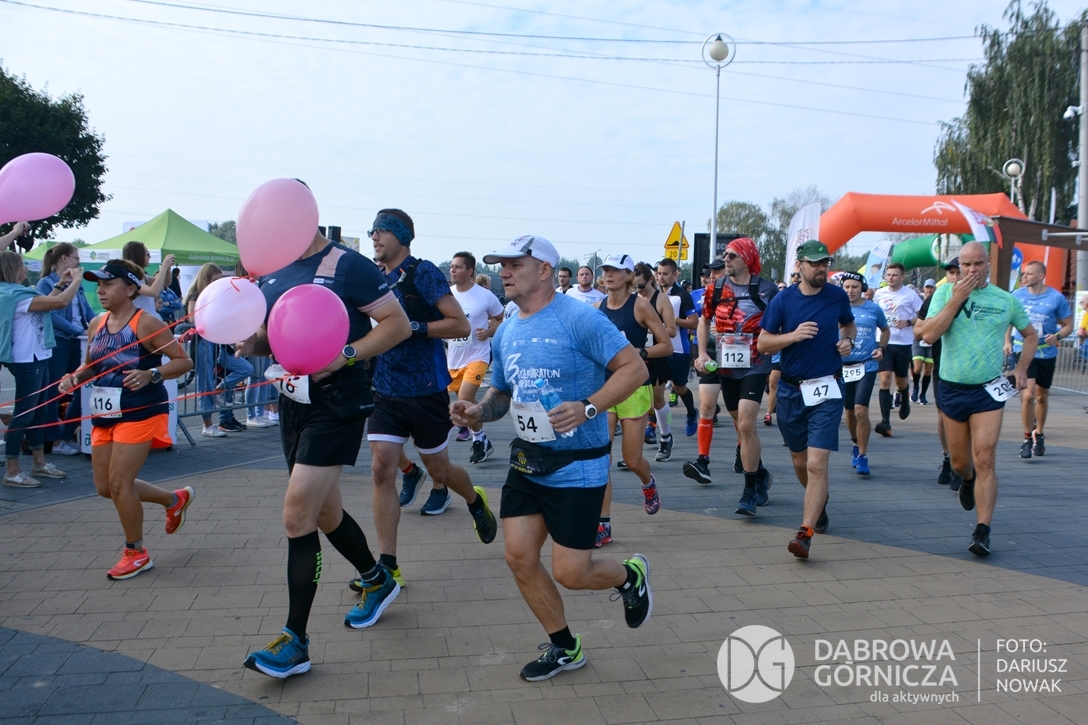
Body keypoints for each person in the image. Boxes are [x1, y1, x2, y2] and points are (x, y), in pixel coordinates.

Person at [451, 235, 652, 682]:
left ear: (544, 270)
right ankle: (565, 647)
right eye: (501, 265)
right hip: (528, 461)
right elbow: (502, 393)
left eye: (514, 265)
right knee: (519, 557)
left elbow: (635, 368)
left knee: (571, 573)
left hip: (578, 464)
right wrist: (480, 411)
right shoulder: (507, 329)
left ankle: (630, 576)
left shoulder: (579, 318)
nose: (504, 272)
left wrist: (589, 407)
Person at [238, 220, 411, 678]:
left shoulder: (347, 265)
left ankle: (295, 641)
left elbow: (397, 325)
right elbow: (273, 334)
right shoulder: (273, 271)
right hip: (293, 400)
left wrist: (346, 354)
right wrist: (251, 341)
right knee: (325, 511)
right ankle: (376, 579)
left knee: (297, 515)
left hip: (338, 400)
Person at [366, 209, 497, 585]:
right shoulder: (373, 276)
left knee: (440, 471)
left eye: (382, 230)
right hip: (385, 388)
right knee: (381, 470)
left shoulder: (422, 272)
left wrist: (413, 327)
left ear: (402, 236)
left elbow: (459, 324)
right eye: (372, 231)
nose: (375, 237)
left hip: (425, 389)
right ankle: (387, 566)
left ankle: (474, 500)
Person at [59, 260, 194, 579]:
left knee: (120, 484)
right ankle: (174, 499)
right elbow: (92, 366)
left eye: (108, 284)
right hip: (106, 412)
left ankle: (136, 553)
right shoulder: (97, 323)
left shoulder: (147, 323)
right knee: (105, 487)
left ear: (131, 289)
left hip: (140, 410)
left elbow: (183, 361)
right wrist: (73, 378)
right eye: (98, 284)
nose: (100, 290)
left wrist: (152, 373)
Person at [921, 241, 1036, 557]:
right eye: (966, 265)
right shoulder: (945, 293)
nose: (972, 270)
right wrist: (956, 300)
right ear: (959, 267)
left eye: (978, 264)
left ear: (988, 264)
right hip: (952, 387)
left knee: (985, 457)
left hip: (988, 389)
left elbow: (1030, 334)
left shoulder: (1005, 299)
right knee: (961, 464)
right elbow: (928, 335)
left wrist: (1022, 367)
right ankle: (968, 479)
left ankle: (982, 530)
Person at [757, 240, 855, 559]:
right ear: (799, 265)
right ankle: (819, 503)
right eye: (815, 263)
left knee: (816, 463)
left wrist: (848, 342)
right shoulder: (783, 300)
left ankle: (805, 533)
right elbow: (763, 344)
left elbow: (848, 325)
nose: (822, 268)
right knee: (800, 461)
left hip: (827, 387)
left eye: (825, 262)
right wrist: (793, 336)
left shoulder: (836, 296)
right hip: (790, 390)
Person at [690, 239, 777, 517]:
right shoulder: (715, 288)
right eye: (725, 255)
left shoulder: (767, 289)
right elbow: (704, 319)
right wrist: (702, 353)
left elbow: (780, 322)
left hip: (756, 364)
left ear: (747, 259)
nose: (726, 259)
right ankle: (760, 474)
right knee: (741, 426)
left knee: (748, 423)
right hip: (726, 366)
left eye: (732, 255)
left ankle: (748, 491)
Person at [593, 254, 671, 547]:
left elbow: (666, 345)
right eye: (605, 270)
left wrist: (640, 353)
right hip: (605, 388)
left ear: (628, 275)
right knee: (602, 458)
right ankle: (603, 524)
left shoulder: (640, 305)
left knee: (632, 459)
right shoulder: (596, 308)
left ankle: (648, 482)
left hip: (634, 388)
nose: (608, 275)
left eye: (615, 270)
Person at [0, 252, 82, 487]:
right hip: (27, 360)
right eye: (22, 265)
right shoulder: (13, 295)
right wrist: (76, 280)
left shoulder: (17, 293)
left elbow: (46, 302)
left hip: (38, 355)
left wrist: (60, 283)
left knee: (39, 412)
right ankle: (12, 470)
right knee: (24, 414)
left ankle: (39, 463)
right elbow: (59, 303)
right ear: (12, 269)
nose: (25, 269)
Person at [1004, 261, 1073, 459]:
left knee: (1042, 396)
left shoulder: (1056, 297)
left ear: (1041, 276)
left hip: (1046, 352)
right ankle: (1027, 437)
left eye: (1029, 274)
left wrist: (1058, 336)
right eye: (1023, 273)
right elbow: (1009, 320)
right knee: (1028, 395)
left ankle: (1039, 433)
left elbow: (1069, 325)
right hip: (1024, 349)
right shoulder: (1017, 295)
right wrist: (1007, 341)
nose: (1024, 277)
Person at [35, 243, 95, 456]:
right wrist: (79, 330)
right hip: (59, 342)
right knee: (54, 392)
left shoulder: (77, 282)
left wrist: (97, 326)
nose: (79, 261)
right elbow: (51, 314)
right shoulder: (46, 283)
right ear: (63, 259)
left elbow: (86, 309)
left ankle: (67, 434)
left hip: (78, 341)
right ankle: (56, 440)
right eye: (75, 257)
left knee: (82, 387)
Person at [446, 252, 504, 462]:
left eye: (458, 267)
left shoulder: (484, 295)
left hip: (478, 356)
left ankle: (478, 440)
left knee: (464, 397)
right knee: (466, 402)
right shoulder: (447, 295)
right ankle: (481, 439)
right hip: (454, 357)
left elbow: (501, 318)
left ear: (469, 271)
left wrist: (488, 332)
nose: (452, 270)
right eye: (452, 266)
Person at [183, 264, 253, 436]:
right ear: (206, 278)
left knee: (245, 368)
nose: (217, 282)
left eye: (219, 279)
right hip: (203, 342)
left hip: (219, 342)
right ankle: (207, 425)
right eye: (214, 279)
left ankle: (219, 390)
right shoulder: (196, 294)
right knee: (205, 383)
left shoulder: (216, 293)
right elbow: (192, 318)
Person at [838, 272, 888, 477]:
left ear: (863, 289)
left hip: (867, 365)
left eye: (855, 287)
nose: (850, 291)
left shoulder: (873, 308)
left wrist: (881, 348)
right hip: (844, 367)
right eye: (847, 287)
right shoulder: (838, 308)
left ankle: (863, 455)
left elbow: (885, 330)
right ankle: (855, 443)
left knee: (860, 410)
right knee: (849, 412)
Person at [923, 259, 963, 489]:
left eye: (959, 272)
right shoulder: (937, 296)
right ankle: (949, 458)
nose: (955, 277)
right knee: (943, 416)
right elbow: (920, 330)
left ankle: (963, 464)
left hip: (972, 371)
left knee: (966, 419)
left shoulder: (981, 297)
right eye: (951, 273)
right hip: (943, 366)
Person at [872, 262, 922, 436]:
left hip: (903, 343)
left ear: (902, 277)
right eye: (888, 275)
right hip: (884, 341)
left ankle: (905, 399)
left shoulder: (910, 295)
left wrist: (908, 322)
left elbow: (923, 316)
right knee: (884, 379)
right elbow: (875, 314)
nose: (891, 278)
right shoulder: (879, 293)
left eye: (894, 275)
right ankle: (885, 421)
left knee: (901, 381)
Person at [633, 262, 677, 461]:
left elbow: (672, 330)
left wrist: (652, 328)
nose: (639, 290)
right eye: (635, 286)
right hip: (637, 356)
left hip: (657, 355)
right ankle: (633, 450)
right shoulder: (633, 300)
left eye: (641, 285)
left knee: (657, 400)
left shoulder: (661, 300)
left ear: (651, 280)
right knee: (637, 402)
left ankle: (666, 438)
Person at [655, 258, 700, 435]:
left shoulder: (682, 295)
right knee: (655, 391)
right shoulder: (654, 294)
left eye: (665, 274)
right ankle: (653, 426)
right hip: (657, 349)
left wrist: (672, 320)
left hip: (678, 349)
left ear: (675, 275)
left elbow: (694, 322)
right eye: (659, 273)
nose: (661, 277)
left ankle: (691, 413)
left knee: (679, 387)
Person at [121, 241, 176, 321]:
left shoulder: (142, 276)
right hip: (138, 322)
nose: (150, 256)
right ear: (138, 255)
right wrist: (164, 267)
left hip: (144, 320)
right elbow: (153, 292)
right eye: (147, 253)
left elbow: (166, 282)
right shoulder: (130, 277)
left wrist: (167, 269)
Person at [910, 279, 937, 405]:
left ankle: (923, 394)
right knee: (917, 367)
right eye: (927, 287)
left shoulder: (938, 301)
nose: (929, 290)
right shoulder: (918, 302)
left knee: (927, 370)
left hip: (932, 339)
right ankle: (915, 387)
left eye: (931, 287)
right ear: (924, 289)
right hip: (918, 338)